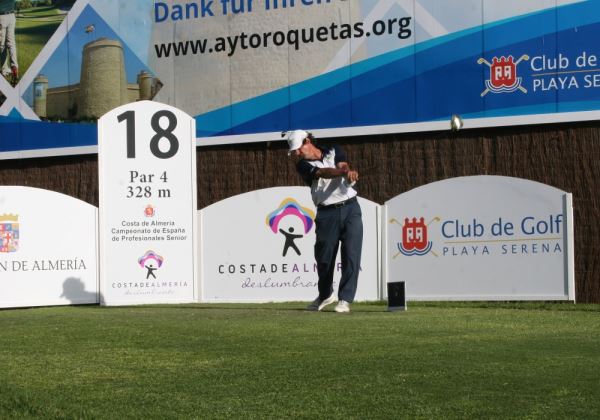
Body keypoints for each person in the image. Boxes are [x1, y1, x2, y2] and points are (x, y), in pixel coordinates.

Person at [285, 129, 363, 313]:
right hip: (326, 214)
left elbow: (342, 164)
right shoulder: (302, 166)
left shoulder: (334, 149)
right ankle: (326, 295)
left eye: (297, 149)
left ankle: (345, 300)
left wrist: (348, 172)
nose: (296, 153)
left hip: (351, 208)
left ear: (308, 141)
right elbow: (323, 172)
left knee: (351, 255)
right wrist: (341, 172)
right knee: (324, 259)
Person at [0, 0, 18, 83]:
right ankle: (14, 67)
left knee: (2, 45)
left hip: (1, 17)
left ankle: (5, 70)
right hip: (11, 16)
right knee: (11, 44)